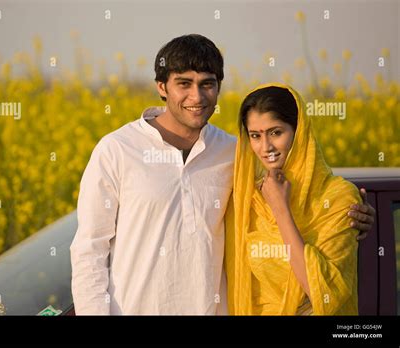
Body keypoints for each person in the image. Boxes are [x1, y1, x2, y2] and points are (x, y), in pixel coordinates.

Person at [70, 34, 374, 315]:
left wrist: (355, 213)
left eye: (207, 83)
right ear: (162, 87)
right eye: (184, 83)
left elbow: (301, 189)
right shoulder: (117, 150)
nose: (197, 96)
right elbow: (89, 249)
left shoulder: (235, 154)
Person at [225, 83, 361, 315]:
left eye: (276, 133)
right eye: (255, 136)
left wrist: (282, 210)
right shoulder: (247, 200)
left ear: (299, 131)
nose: (266, 146)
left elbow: (324, 296)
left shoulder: (338, 197)